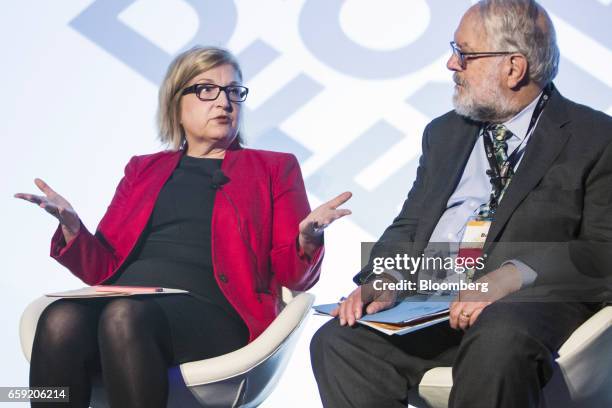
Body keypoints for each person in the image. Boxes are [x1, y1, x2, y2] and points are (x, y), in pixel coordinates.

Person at [310, 1, 612, 407]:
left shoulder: (594, 137)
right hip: (432, 301)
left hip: (525, 306)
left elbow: (601, 249)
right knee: (337, 342)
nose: (452, 64)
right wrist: (385, 280)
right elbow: (410, 224)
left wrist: (509, 276)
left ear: (514, 68)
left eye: (465, 53)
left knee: (499, 336)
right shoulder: (445, 133)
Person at [15, 46, 351, 408]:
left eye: (234, 91)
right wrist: (72, 228)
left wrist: (307, 238)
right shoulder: (142, 169)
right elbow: (102, 267)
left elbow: (293, 277)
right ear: (176, 103)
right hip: (128, 299)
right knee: (58, 318)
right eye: (207, 89)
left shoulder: (273, 168)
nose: (224, 102)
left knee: (124, 317)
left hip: (214, 311)